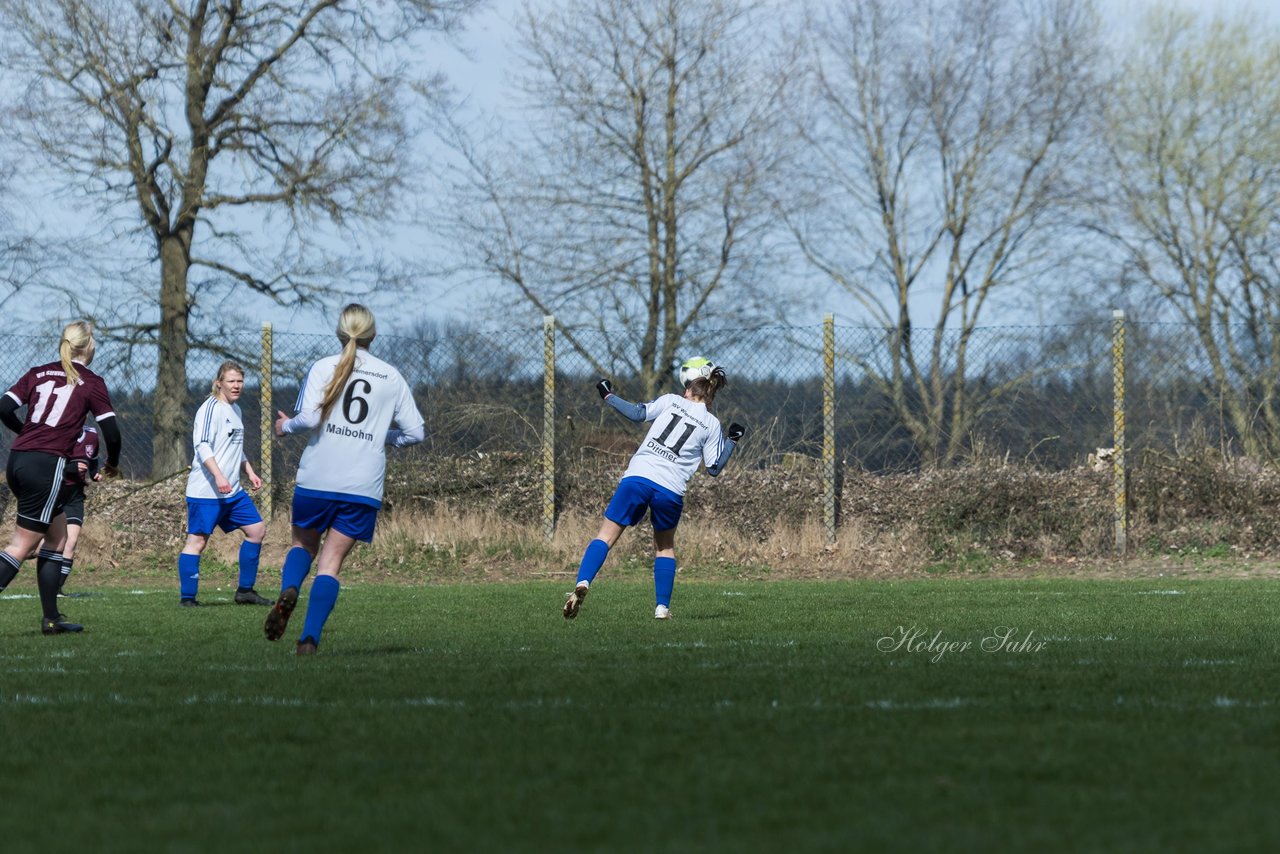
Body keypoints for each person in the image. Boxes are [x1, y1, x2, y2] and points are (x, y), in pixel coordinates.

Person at [264, 304, 424, 655]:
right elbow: (416, 433)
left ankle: (290, 587)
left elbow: (308, 420)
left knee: (302, 546)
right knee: (330, 564)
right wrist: (383, 435)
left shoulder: (323, 367)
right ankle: (309, 639)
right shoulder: (391, 376)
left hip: (318, 477)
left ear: (339, 333)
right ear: (374, 335)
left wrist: (283, 427)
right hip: (362, 485)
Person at [563, 357, 746, 621]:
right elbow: (714, 468)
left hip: (639, 477)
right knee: (664, 548)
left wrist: (608, 395)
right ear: (710, 393)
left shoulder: (670, 400)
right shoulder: (712, 424)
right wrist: (732, 440)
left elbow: (638, 414)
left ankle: (583, 583)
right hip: (670, 490)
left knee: (605, 537)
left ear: (687, 389)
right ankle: (662, 608)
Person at [0, 321, 121, 634]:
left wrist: (26, 432)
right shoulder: (92, 381)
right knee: (22, 546)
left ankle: (52, 618)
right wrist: (112, 463)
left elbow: (3, 407)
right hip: (46, 465)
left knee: (57, 538)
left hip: (18, 460)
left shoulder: (38, 372)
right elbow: (111, 431)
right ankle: (51, 617)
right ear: (88, 346)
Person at [178, 360, 270, 607]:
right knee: (197, 542)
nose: (236, 385)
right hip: (206, 491)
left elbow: (234, 448)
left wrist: (249, 471)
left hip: (232, 491)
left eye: (240, 381)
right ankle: (188, 598)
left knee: (256, 530)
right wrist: (219, 476)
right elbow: (203, 446)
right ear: (219, 383)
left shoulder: (236, 410)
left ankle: (245, 591)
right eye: (231, 381)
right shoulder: (210, 408)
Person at [51, 424, 102, 597]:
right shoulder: (56, 433)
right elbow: (46, 465)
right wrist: (71, 469)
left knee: (70, 542)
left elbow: (93, 458)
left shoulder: (92, 434)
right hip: (54, 492)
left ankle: (56, 589)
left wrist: (94, 473)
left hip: (74, 496)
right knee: (37, 545)